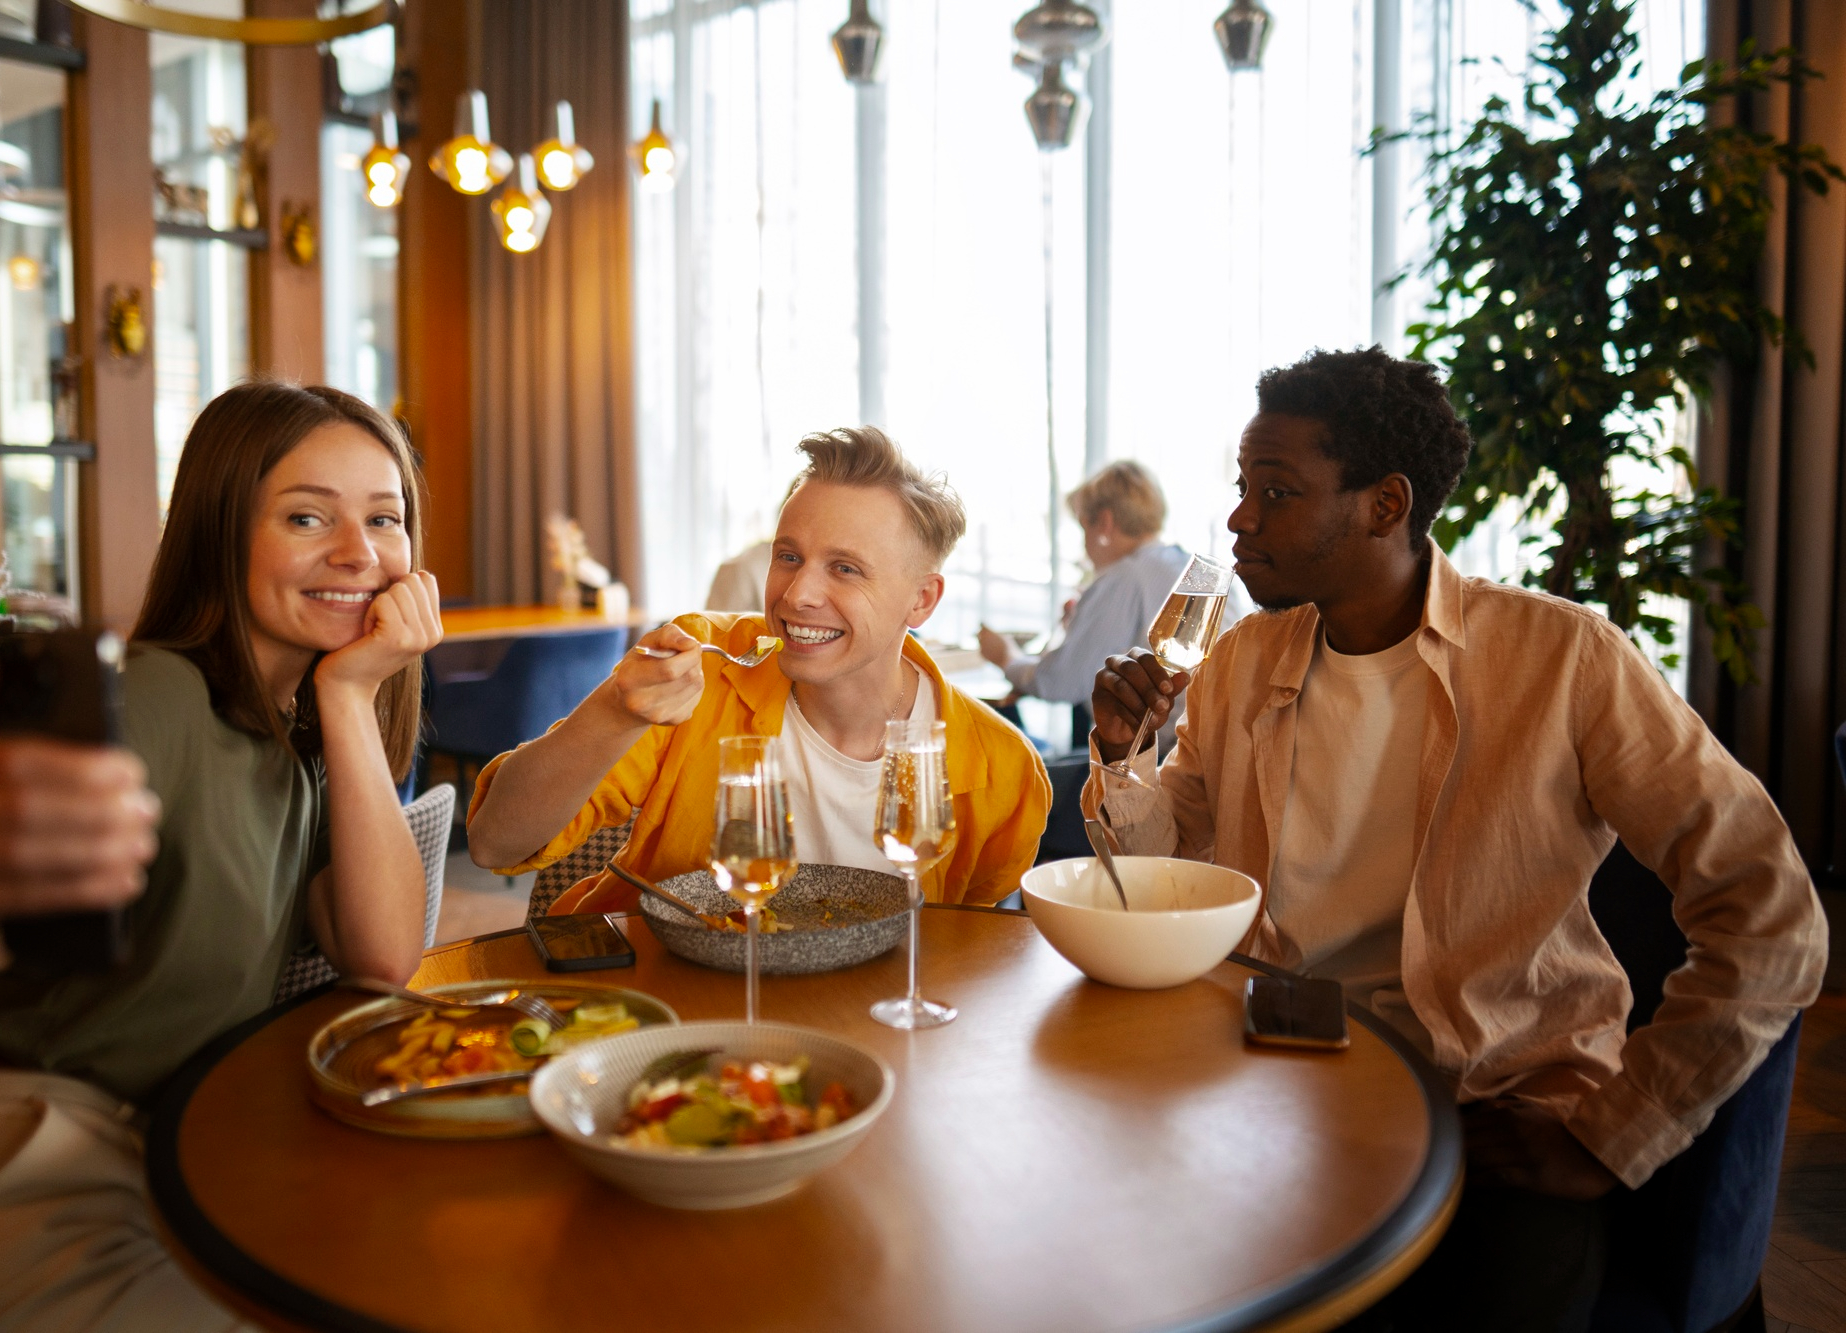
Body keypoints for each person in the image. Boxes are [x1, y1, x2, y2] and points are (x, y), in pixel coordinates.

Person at [1085, 347, 1824, 1332]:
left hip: (1494, 1111)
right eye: (1240, 486)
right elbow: (1156, 871)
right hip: (1277, 1083)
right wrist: (1121, 750)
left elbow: (1769, 909)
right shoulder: (1240, 659)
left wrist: (1614, 1133)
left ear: (1383, 506)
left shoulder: (1561, 659)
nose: (1236, 520)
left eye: (1276, 491)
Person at [0, 381, 443, 1330]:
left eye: (386, 517)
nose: (360, 554)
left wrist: (349, 697)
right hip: (27, 1175)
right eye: (305, 516)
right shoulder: (162, 697)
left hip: (196, 1154)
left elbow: (381, 952)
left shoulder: (300, 732)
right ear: (219, 532)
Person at [468, 426, 1050, 912]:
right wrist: (615, 711)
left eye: (845, 569)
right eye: (788, 557)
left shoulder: (1004, 769)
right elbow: (494, 843)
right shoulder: (703, 671)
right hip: (660, 1008)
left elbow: (959, 953)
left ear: (922, 600)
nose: (796, 596)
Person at [979, 460, 1248, 729]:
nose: (1084, 546)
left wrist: (1006, 657)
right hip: (1220, 734)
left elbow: (1061, 682)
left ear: (1105, 523)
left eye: (1084, 526)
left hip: (1166, 751)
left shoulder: (1125, 576)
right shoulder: (1189, 568)